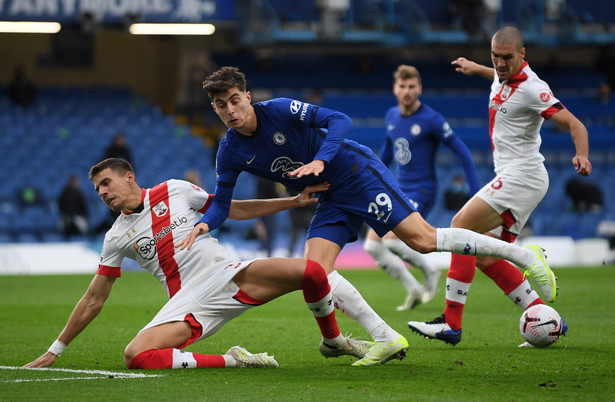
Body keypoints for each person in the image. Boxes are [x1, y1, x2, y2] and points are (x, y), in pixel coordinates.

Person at [178, 66, 557, 365]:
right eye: (220, 105)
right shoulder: (228, 152)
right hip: (329, 196)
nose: (230, 111)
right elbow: (222, 204)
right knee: (315, 274)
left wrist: (319, 161)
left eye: (234, 100)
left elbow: (340, 121)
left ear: (247, 96)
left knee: (423, 241)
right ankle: (382, 338)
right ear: (214, 108)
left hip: (355, 173)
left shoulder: (277, 109)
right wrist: (203, 223)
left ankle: (525, 255)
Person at [25, 158, 371, 370]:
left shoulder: (174, 190)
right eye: (97, 189)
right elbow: (94, 299)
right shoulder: (116, 237)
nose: (102, 192)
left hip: (228, 273)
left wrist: (293, 201)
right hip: (189, 301)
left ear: (128, 176)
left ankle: (334, 342)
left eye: (106, 183)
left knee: (311, 272)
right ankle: (236, 359)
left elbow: (232, 208)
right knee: (137, 356)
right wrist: (56, 349)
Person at [408, 25, 592, 347]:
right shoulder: (500, 73)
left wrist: (582, 155)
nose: (501, 64)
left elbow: (575, 124)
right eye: (495, 57)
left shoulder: (534, 88)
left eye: (507, 57)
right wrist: (476, 68)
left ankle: (451, 323)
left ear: (523, 55)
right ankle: (546, 318)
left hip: (524, 174)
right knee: (484, 256)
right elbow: (493, 75)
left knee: (460, 227)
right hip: (513, 176)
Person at [363, 64, 480, 311]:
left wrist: (476, 192)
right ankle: (414, 288)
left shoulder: (432, 119)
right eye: (402, 86)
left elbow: (463, 152)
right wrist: (369, 182)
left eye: (412, 86)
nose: (407, 91)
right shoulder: (392, 116)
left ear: (420, 89)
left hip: (422, 191)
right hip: (397, 190)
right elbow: (386, 153)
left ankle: (430, 270)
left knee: (392, 240)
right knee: (372, 245)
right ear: (395, 88)